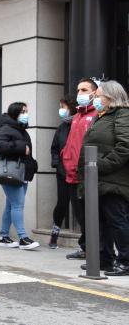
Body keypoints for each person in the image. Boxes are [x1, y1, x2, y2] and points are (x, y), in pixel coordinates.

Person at [79, 80, 129, 276]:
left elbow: (125, 146)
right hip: (97, 179)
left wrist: (100, 166)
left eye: (98, 95)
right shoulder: (102, 116)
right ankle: (104, 260)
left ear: (111, 97)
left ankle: (125, 260)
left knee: (117, 221)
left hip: (113, 179)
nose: (95, 99)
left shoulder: (122, 115)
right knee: (101, 222)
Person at [61, 78, 99, 260]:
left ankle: (97, 251)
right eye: (78, 90)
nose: (80, 94)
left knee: (92, 215)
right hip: (71, 173)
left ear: (94, 93)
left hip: (87, 174)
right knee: (81, 216)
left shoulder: (97, 114)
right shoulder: (76, 116)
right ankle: (86, 248)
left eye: (84, 90)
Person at [0, 102, 39, 250]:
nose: (26, 114)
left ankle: (4, 236)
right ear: (15, 113)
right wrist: (20, 147)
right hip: (11, 172)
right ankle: (23, 238)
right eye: (23, 111)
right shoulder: (6, 128)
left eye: (26, 111)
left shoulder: (20, 129)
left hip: (21, 172)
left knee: (11, 205)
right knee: (18, 205)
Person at [49, 94, 78, 248]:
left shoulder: (79, 123)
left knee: (79, 205)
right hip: (62, 172)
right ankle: (54, 235)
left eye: (63, 107)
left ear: (71, 108)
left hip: (77, 172)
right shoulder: (61, 128)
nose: (60, 111)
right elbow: (54, 148)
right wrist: (57, 164)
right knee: (62, 203)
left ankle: (87, 240)